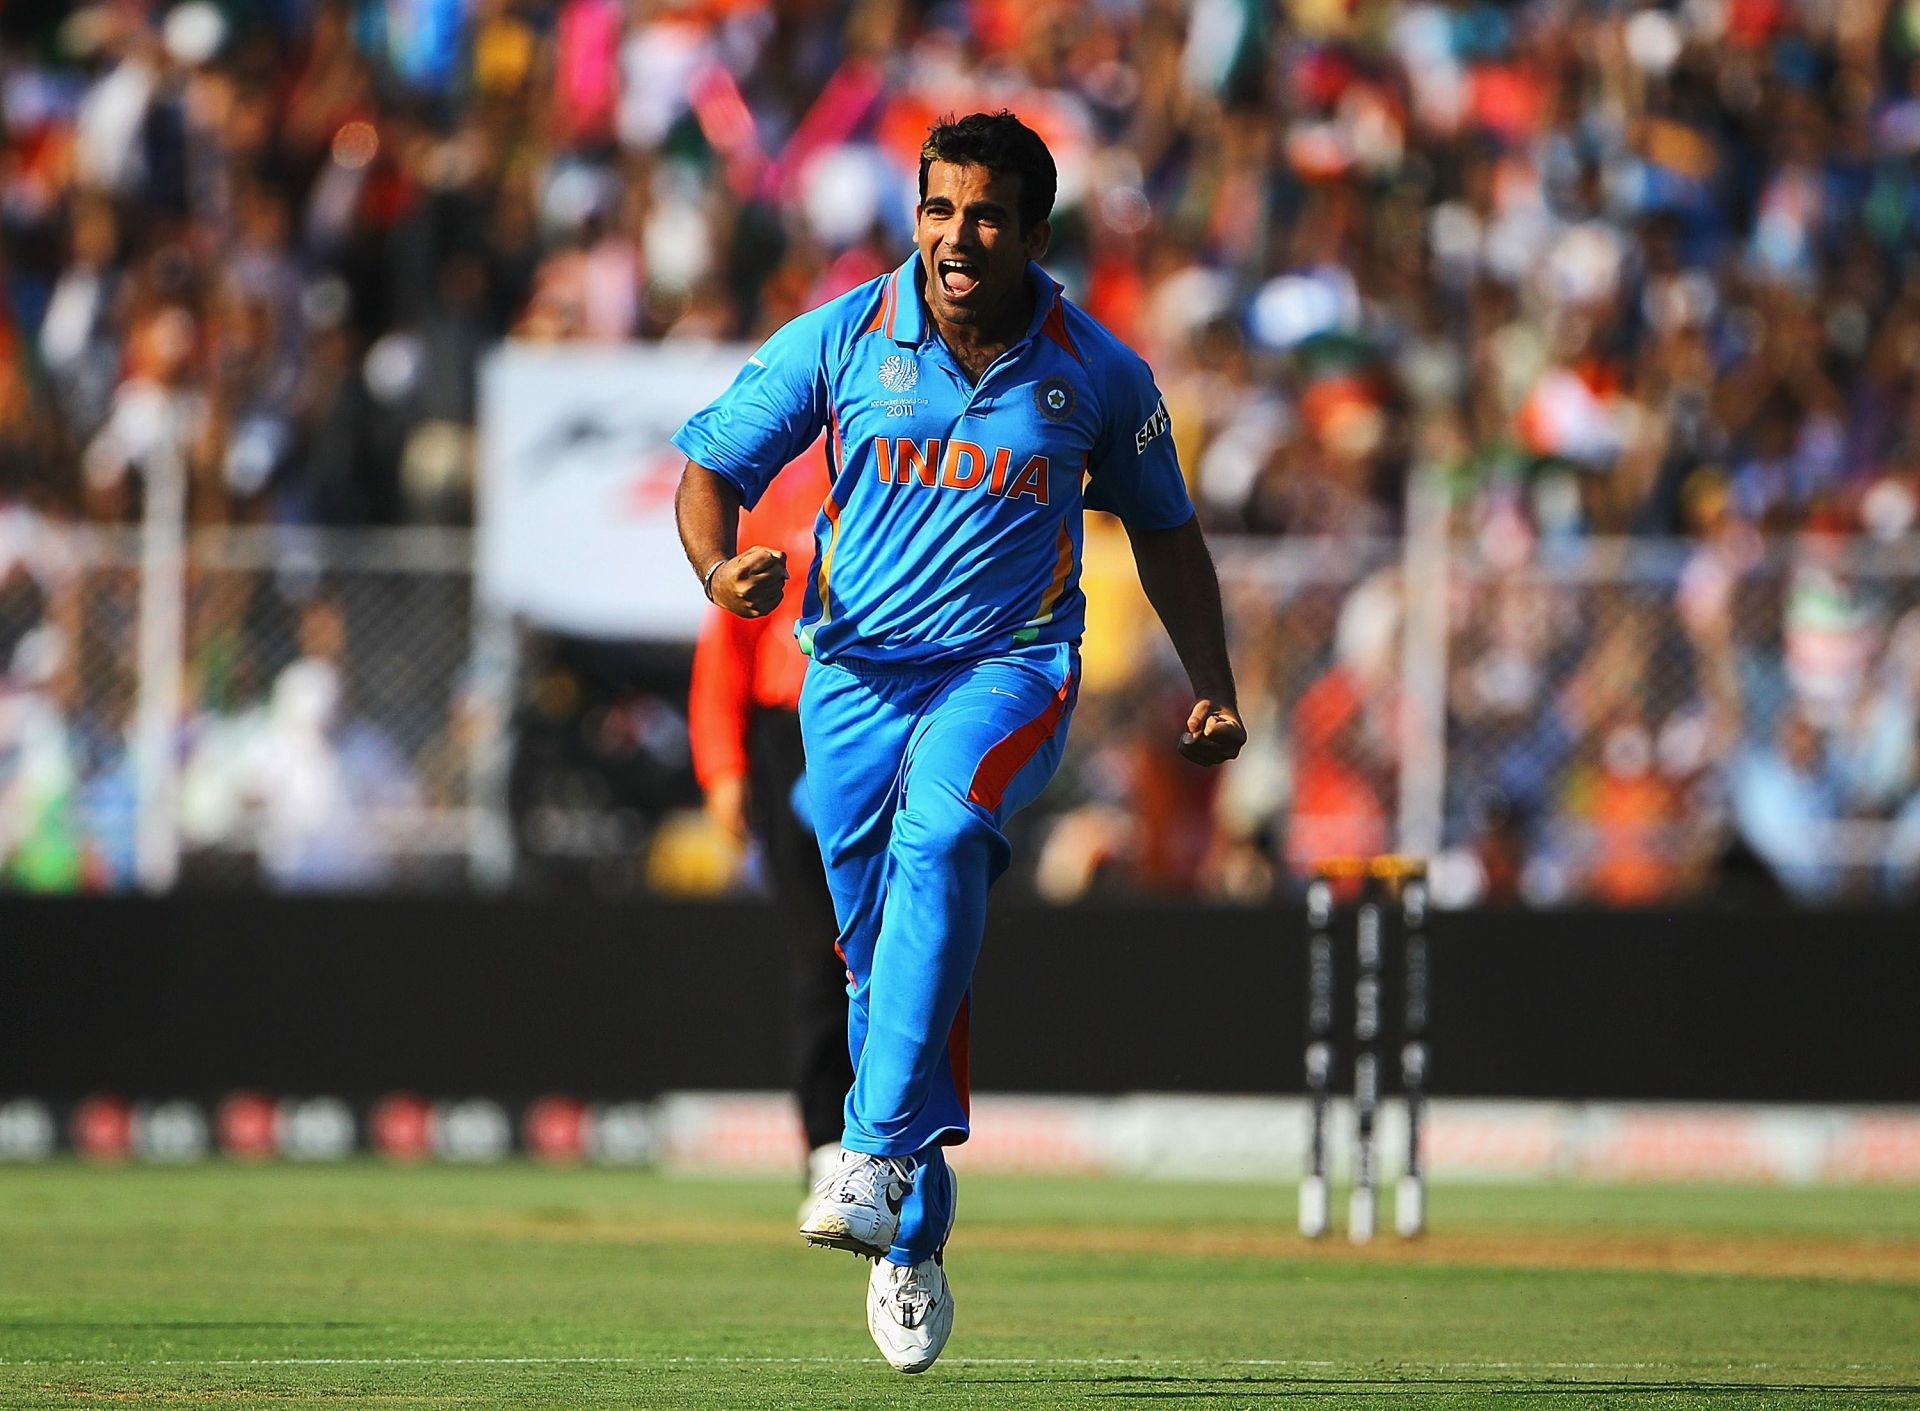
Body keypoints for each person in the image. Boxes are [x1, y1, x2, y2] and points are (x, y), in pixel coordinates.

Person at [672, 111, 1244, 1374]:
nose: (955, 236)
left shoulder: (1096, 372)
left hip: (1010, 670)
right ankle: (913, 1232)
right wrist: (721, 571)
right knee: (879, 964)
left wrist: (1210, 683)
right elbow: (708, 465)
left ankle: (870, 1152)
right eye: (938, 210)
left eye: (984, 215)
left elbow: (1166, 532)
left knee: (942, 833)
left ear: (1034, 233)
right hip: (849, 684)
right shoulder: (844, 335)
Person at [686, 440, 853, 1195]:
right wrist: (724, 768)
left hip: (883, 722)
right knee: (819, 950)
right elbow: (728, 639)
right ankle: (829, 1145)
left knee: (896, 947)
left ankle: (895, 1141)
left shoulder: (920, 468)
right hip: (791, 730)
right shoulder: (783, 497)